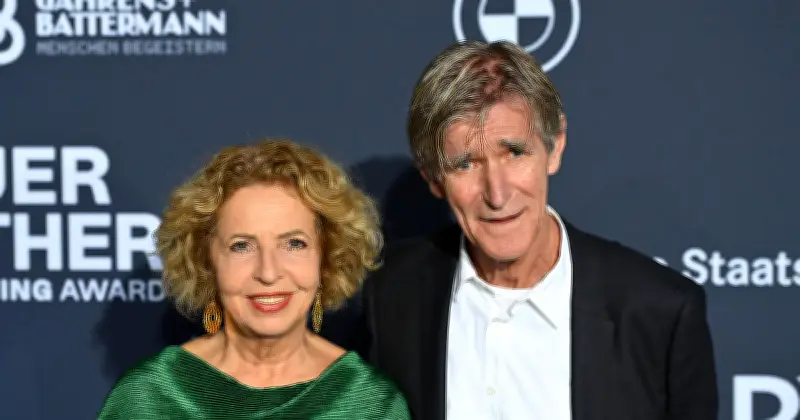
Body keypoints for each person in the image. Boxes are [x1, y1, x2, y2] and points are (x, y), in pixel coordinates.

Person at [354, 40, 718, 420]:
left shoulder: (660, 313)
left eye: (514, 153)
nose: (497, 194)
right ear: (433, 178)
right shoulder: (391, 294)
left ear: (555, 147)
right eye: (465, 164)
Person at [98, 140, 411, 419]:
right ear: (206, 261)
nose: (268, 272)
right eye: (241, 246)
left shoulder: (371, 404)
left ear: (326, 256)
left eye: (294, 244)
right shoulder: (150, 398)